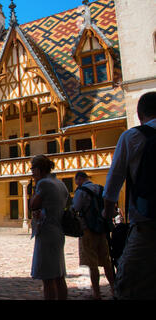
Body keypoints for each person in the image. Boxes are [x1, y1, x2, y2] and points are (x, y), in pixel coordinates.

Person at [103, 92, 156, 300]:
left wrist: (107, 215)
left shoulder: (132, 136)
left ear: (139, 114)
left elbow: (113, 183)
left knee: (127, 282)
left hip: (147, 224)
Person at [29, 155, 69, 300]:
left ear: (39, 169)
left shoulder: (43, 183)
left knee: (48, 277)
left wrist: (35, 186)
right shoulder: (61, 183)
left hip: (47, 232)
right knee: (59, 274)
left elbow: (33, 205)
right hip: (59, 231)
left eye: (33, 169)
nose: (32, 172)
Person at [72, 171, 114, 299]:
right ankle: (114, 288)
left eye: (76, 181)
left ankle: (96, 292)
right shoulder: (100, 188)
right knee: (107, 260)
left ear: (79, 179)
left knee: (92, 262)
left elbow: (76, 208)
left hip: (87, 229)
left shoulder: (81, 191)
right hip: (101, 229)